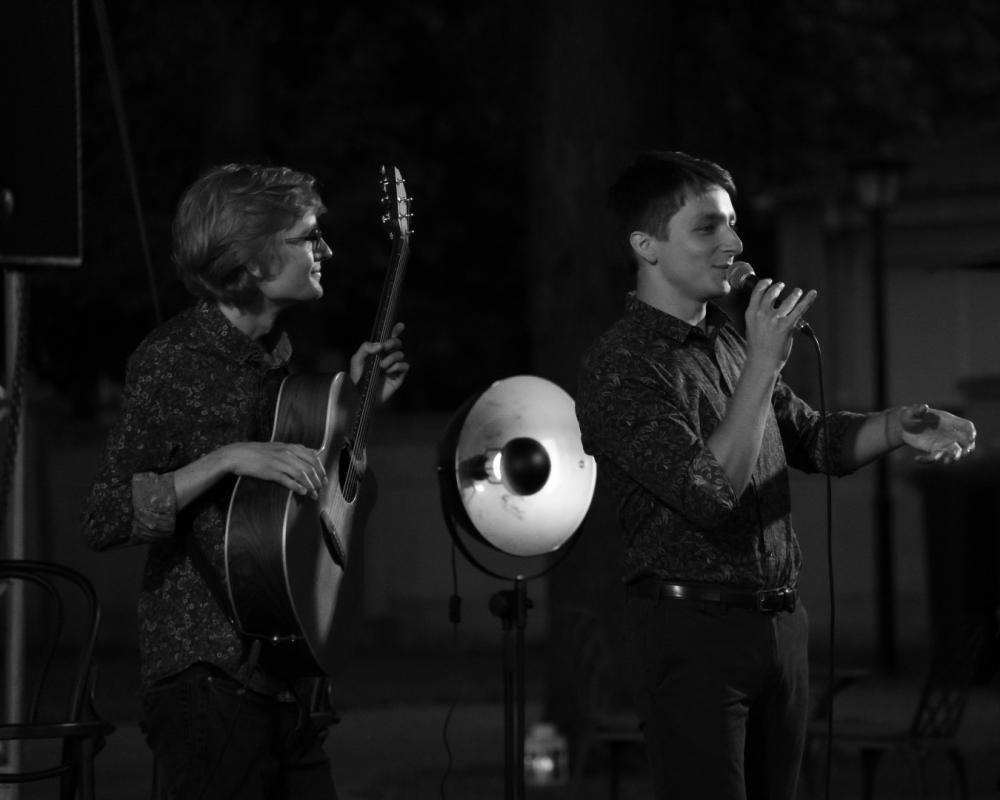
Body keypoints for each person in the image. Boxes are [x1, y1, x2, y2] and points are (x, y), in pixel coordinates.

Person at [574, 150, 977, 800]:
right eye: (707, 227)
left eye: (732, 224)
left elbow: (813, 440)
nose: (734, 243)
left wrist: (897, 425)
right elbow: (708, 492)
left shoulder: (730, 343)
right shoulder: (622, 365)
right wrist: (764, 361)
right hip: (693, 630)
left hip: (780, 626)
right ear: (646, 246)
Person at [82, 163, 409, 799]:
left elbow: (306, 508)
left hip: (289, 676)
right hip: (207, 677)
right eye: (308, 237)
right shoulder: (174, 360)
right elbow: (102, 516)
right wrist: (227, 458)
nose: (325, 251)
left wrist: (351, 415)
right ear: (254, 260)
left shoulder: (278, 364)